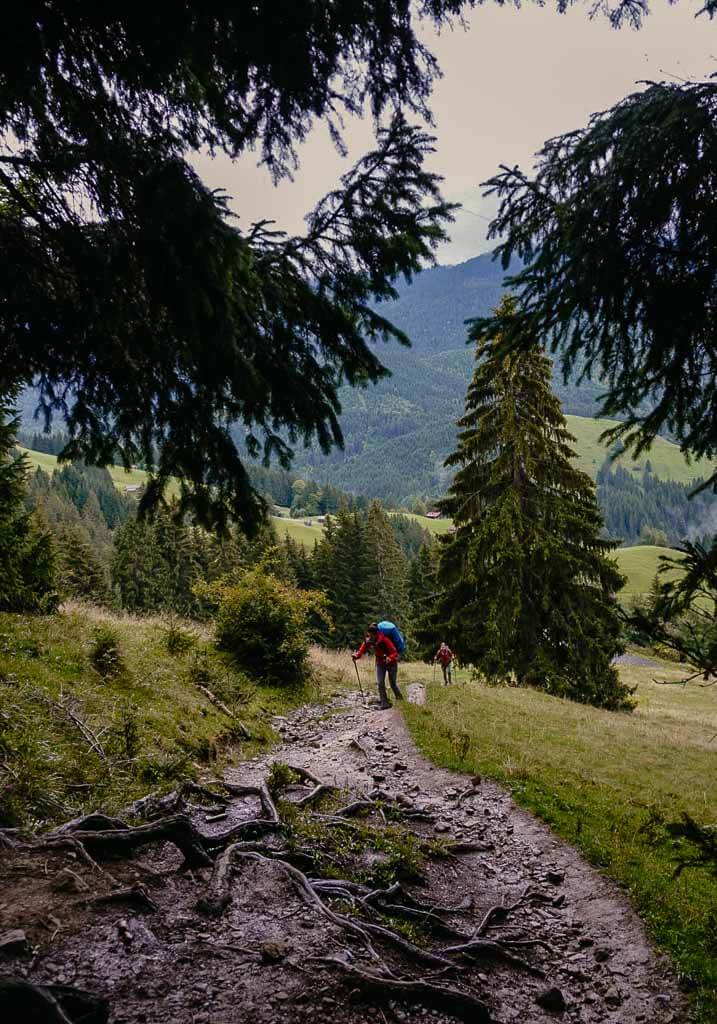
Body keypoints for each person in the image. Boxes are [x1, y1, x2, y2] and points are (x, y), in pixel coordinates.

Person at [353, 622, 403, 709]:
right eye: (369, 633)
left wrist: (389, 658)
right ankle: (384, 703)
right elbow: (362, 649)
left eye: (372, 633)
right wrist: (356, 656)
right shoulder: (369, 640)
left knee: (393, 683)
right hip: (380, 663)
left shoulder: (384, 639)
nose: (370, 635)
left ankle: (400, 699)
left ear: (376, 633)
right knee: (380, 683)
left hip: (391, 663)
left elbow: (394, 652)